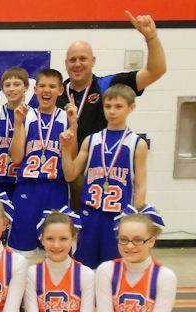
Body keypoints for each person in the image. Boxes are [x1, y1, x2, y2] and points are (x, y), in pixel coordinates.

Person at [57, 11, 165, 210]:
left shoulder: (108, 85)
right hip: (60, 176)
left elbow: (155, 71)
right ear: (66, 64)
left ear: (93, 61)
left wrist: (151, 38)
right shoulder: (56, 93)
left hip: (98, 174)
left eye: (83, 58)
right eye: (72, 60)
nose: (77, 64)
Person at [61, 84, 148, 269]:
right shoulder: (91, 140)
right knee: (85, 267)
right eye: (108, 106)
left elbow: (140, 186)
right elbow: (70, 175)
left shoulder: (137, 144)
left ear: (131, 108)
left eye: (118, 106)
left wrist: (136, 219)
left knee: (114, 268)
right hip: (89, 214)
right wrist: (66, 149)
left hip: (118, 216)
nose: (112, 111)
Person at [8, 68, 77, 257]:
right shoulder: (27, 115)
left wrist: (74, 126)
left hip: (56, 187)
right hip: (27, 189)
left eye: (52, 86)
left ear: (61, 91)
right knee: (21, 253)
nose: (47, 90)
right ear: (35, 89)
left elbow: (72, 160)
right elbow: (16, 158)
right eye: (43, 86)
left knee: (55, 252)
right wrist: (18, 124)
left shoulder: (65, 118)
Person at [0, 67, 30, 200]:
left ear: (26, 87)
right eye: (7, 85)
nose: (11, 89)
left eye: (16, 84)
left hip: (22, 182)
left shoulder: (33, 116)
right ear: (2, 89)